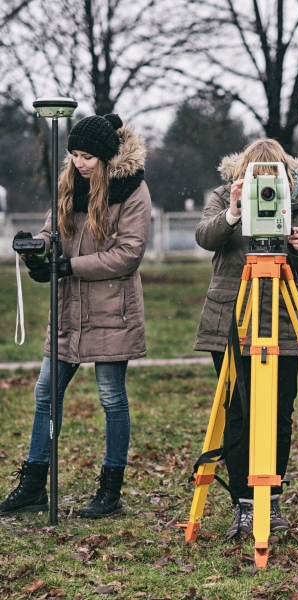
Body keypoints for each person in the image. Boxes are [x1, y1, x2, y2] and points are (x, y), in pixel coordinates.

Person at [1, 114, 151, 518]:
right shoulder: (68, 184)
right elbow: (55, 232)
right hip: (68, 310)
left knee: (111, 398)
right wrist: (39, 251)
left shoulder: (132, 191)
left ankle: (110, 490)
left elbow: (129, 254)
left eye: (87, 156)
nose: (79, 162)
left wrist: (72, 267)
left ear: (104, 157)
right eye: (74, 154)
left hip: (110, 310)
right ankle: (33, 485)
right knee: (46, 394)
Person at [194, 139, 298, 539]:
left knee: (279, 412)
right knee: (238, 412)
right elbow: (205, 237)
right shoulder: (223, 196)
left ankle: (272, 497)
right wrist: (233, 211)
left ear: (287, 175)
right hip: (230, 318)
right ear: (243, 174)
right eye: (258, 175)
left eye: (274, 175)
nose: (267, 182)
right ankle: (245, 504)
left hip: (281, 319)